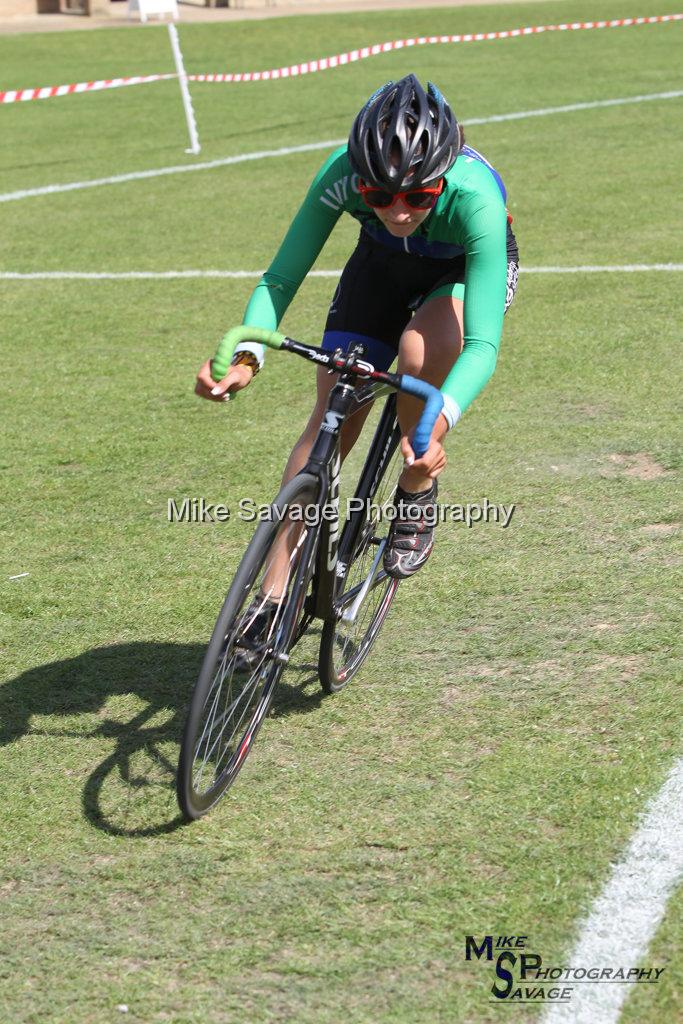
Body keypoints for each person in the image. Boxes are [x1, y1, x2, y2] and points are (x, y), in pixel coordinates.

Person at [196, 74, 518, 586]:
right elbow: (280, 278)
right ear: (359, 179)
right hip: (381, 265)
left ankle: (415, 488)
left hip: (458, 273)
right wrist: (248, 355)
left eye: (419, 195)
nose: (399, 210)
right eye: (378, 195)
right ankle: (272, 592)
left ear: (442, 178)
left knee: (418, 353)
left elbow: (481, 345)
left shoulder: (474, 199)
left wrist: (438, 425)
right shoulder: (340, 174)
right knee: (335, 408)